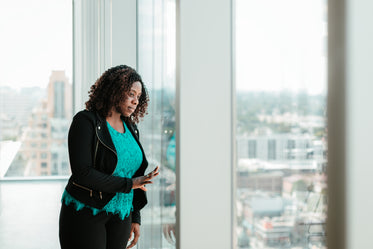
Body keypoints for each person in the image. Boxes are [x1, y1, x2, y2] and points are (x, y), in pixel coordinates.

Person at [59, 65, 159, 249]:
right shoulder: (85, 121)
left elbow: (135, 174)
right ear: (115, 90)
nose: (136, 101)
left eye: (138, 96)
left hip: (121, 215)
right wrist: (130, 184)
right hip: (86, 212)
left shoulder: (131, 128)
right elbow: (83, 173)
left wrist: (135, 216)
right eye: (131, 94)